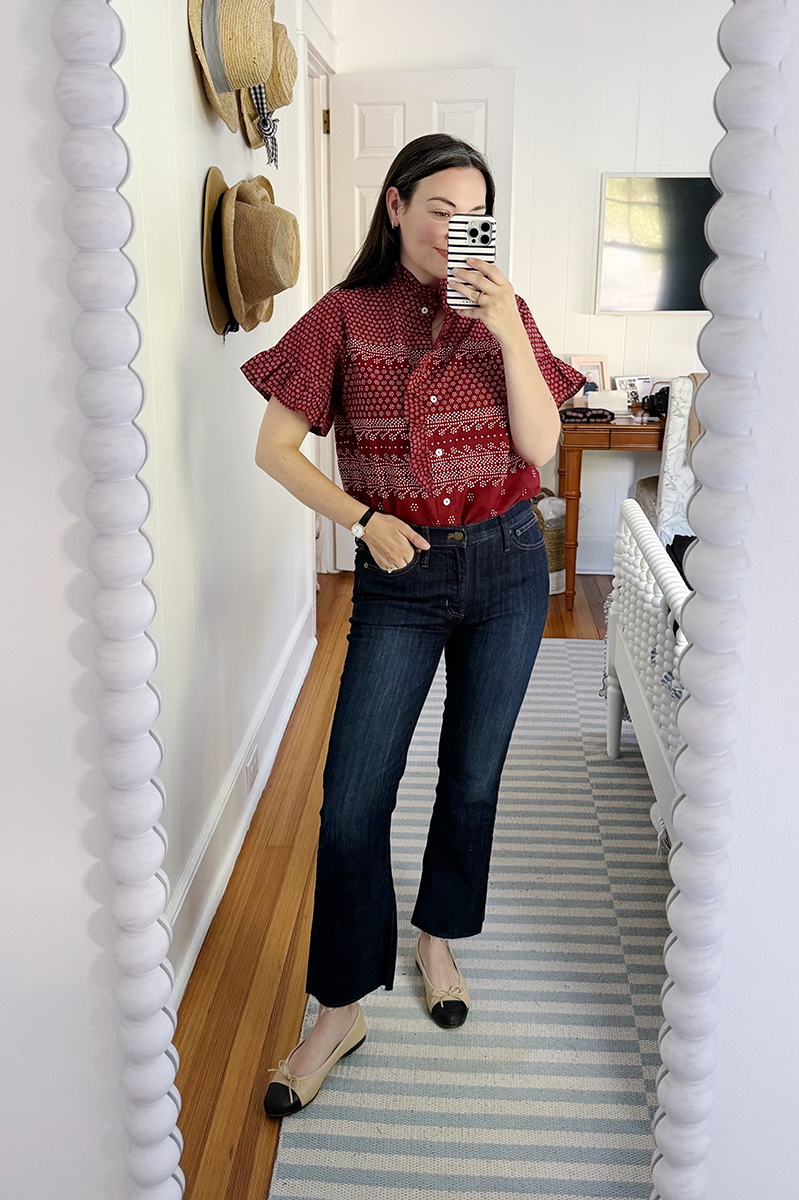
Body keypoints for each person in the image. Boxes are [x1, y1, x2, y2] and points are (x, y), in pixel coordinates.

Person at [241, 133, 585, 1117]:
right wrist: (361, 519)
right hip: (398, 571)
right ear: (394, 208)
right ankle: (339, 1008)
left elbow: (540, 442)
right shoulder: (342, 318)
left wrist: (511, 332)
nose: (454, 229)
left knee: (471, 777)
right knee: (351, 801)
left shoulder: (502, 315)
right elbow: (274, 447)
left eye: (473, 212)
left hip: (512, 566)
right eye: (439, 207)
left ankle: (437, 938)